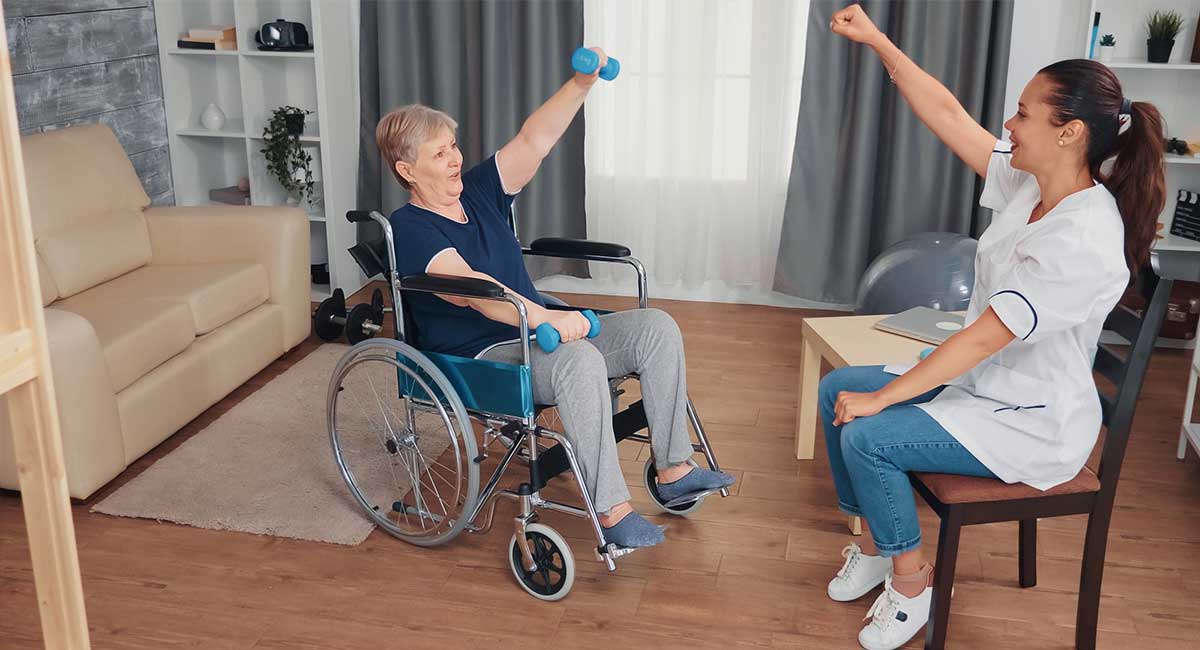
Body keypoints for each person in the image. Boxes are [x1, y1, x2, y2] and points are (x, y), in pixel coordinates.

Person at [820, 5, 1166, 649]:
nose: (1009, 124)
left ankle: (914, 584)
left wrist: (885, 397)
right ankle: (875, 545)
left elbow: (984, 336)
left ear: (1069, 134)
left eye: (1025, 113)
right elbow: (950, 116)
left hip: (1031, 422)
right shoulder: (1033, 185)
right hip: (986, 385)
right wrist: (879, 42)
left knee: (870, 432)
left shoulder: (1082, 235)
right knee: (836, 386)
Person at [375, 48, 735, 550]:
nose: (455, 158)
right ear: (407, 170)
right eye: (439, 154)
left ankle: (674, 469)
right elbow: (477, 294)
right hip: (483, 355)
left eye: (453, 146)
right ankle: (611, 512)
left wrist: (582, 82)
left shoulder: (478, 190)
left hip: (538, 332)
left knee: (657, 327)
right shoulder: (412, 228)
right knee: (579, 360)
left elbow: (534, 139)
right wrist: (543, 315)